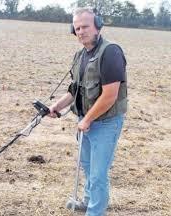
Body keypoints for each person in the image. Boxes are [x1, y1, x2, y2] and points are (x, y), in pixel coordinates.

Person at [48, 7, 127, 216]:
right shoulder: (80, 55)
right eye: (76, 28)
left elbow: (110, 95)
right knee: (88, 166)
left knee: (98, 173)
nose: (80, 31)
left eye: (85, 26)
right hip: (87, 121)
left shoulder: (111, 52)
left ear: (97, 26)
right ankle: (88, 201)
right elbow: (75, 89)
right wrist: (57, 106)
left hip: (105, 122)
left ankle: (95, 212)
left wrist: (88, 119)